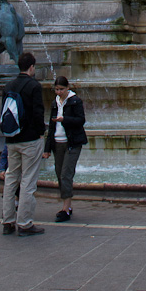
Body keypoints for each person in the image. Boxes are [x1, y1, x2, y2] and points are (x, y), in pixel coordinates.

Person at [1, 52, 46, 236]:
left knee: (11, 178)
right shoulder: (34, 86)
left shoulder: (8, 86)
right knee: (28, 180)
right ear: (31, 67)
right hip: (30, 139)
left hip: (11, 139)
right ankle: (25, 223)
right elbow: (38, 113)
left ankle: (7, 221)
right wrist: (41, 132)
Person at [42, 75, 87, 222]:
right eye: (56, 89)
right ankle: (68, 204)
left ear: (68, 88)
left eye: (61, 89)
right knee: (59, 173)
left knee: (65, 174)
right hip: (57, 143)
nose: (59, 92)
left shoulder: (75, 101)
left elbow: (81, 120)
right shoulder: (55, 103)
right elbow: (51, 126)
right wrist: (47, 149)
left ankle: (65, 209)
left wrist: (64, 120)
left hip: (72, 143)